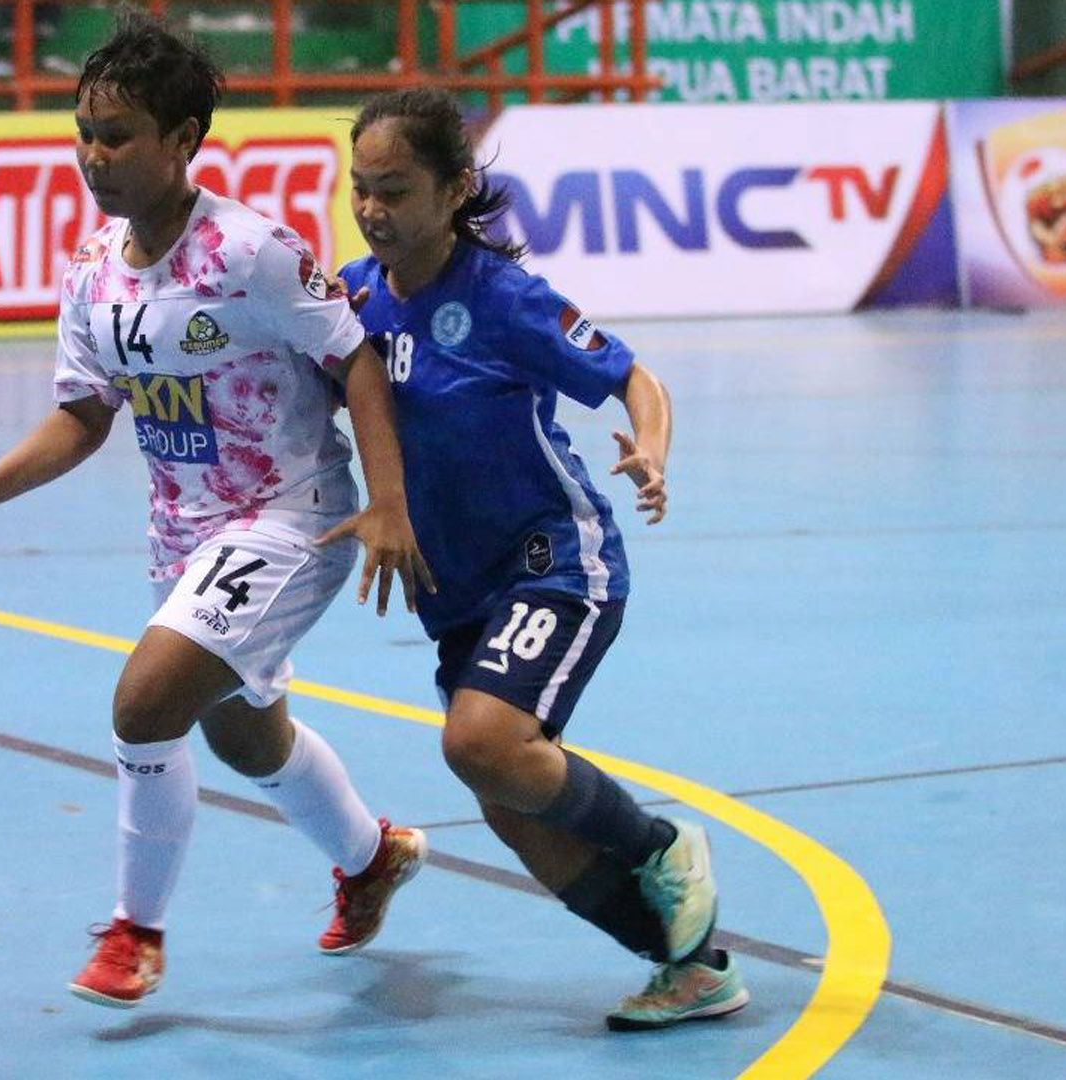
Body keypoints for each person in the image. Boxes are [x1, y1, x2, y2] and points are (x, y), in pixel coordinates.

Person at [0, 10, 432, 1010]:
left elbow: (358, 363)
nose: (95, 156)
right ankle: (372, 857)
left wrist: (388, 504)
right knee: (243, 736)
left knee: (146, 702)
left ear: (183, 140)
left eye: (118, 135)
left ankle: (134, 935)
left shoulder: (252, 252)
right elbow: (84, 417)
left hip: (291, 516)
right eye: (85, 132)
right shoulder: (93, 268)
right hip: (185, 534)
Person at [336, 86, 748, 1031]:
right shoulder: (353, 297)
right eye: (360, 188)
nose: (372, 209)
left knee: (480, 742)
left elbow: (634, 376)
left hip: (552, 561)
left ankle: (657, 844)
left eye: (394, 189)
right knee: (507, 798)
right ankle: (690, 966)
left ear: (453, 190)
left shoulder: (503, 299)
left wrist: (652, 450)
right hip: (457, 596)